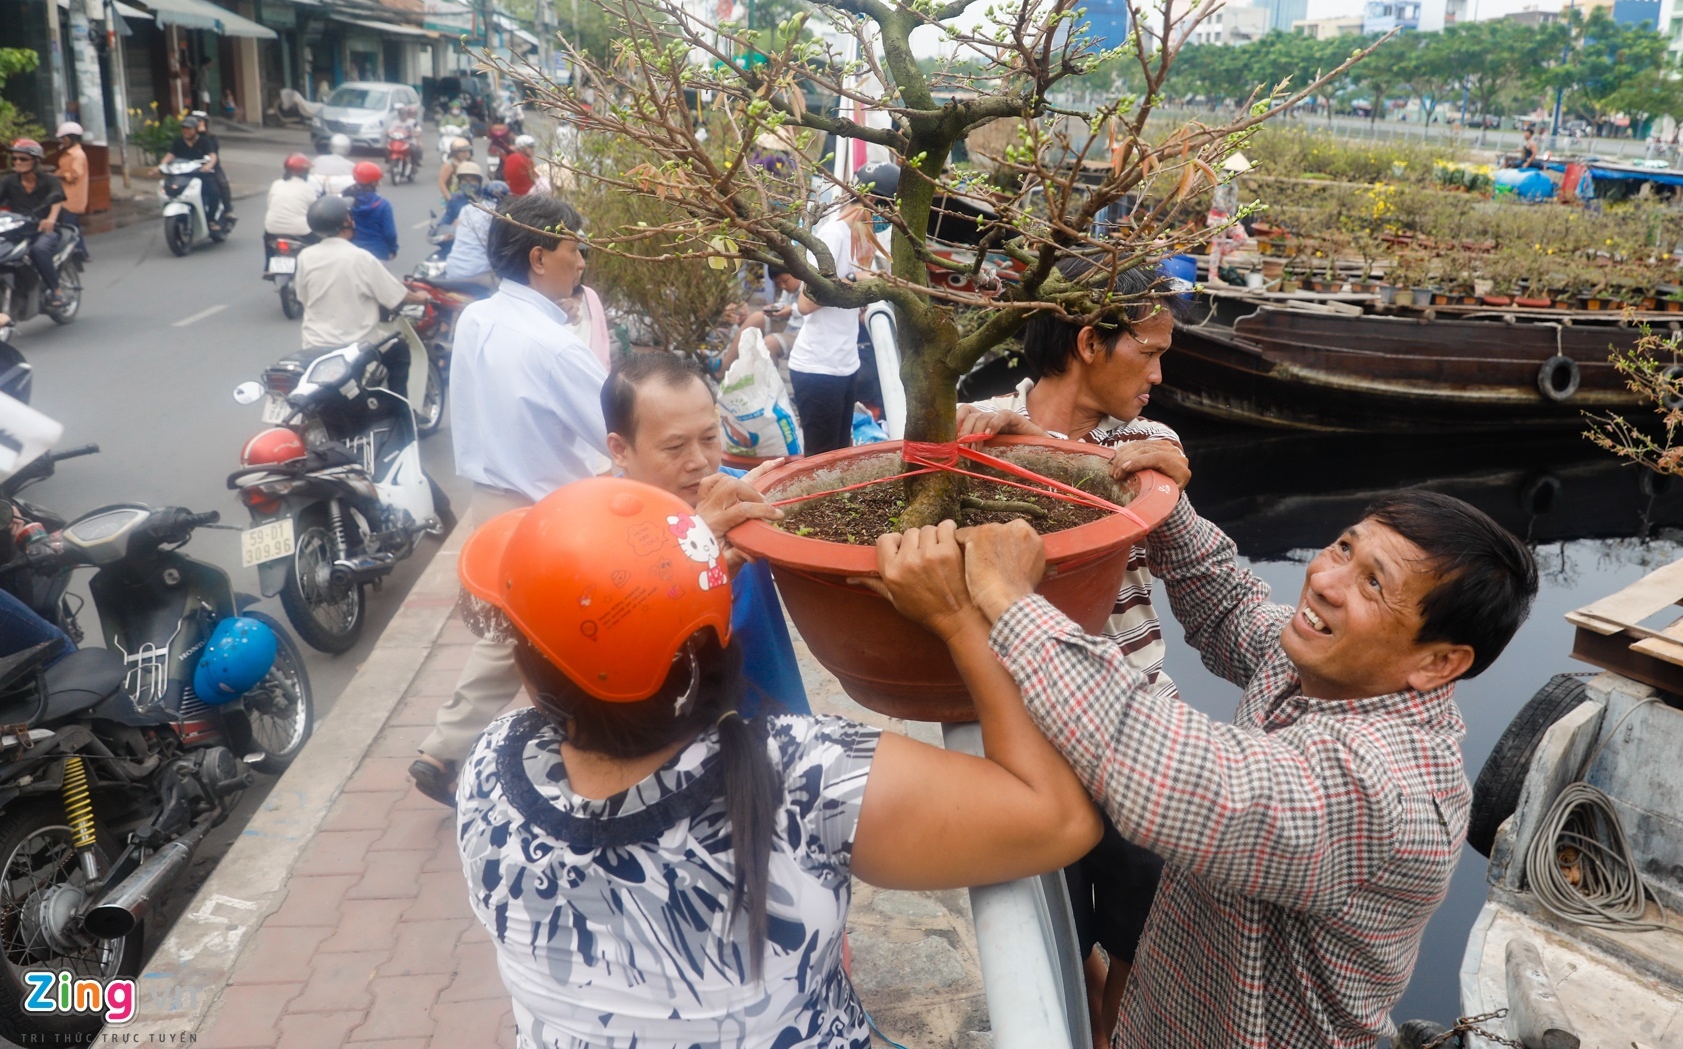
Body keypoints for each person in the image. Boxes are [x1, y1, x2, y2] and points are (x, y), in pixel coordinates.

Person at [911, 452, 1538, 1049]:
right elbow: (1232, 607)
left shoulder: (1384, 794)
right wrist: (1159, 502)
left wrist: (1010, 601)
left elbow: (1172, 773)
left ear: (1439, 662)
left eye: (1373, 584)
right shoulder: (1328, 670)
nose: (1323, 580)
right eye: (1345, 547)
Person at [454, 479, 1101, 1049]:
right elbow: (1061, 819)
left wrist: (661, 580)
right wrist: (968, 618)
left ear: (536, 675)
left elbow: (613, 674)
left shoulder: (493, 768)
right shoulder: (801, 781)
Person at [956, 259, 1183, 1037]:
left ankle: (1111, 1024)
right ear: (1090, 342)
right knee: (1049, 898)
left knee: (1140, 923)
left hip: (1134, 715)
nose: (1158, 373)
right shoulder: (980, 428)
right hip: (1033, 721)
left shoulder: (1144, 444)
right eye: (1148, 352)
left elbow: (1173, 542)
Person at [410, 194, 612, 806]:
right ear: (538, 257)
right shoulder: (554, 347)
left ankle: (554, 739)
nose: (582, 262)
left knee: (519, 634)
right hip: (547, 517)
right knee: (530, 636)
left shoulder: (478, 317)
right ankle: (447, 751)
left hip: (492, 503)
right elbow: (614, 430)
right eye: (574, 249)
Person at [602, 351, 808, 715]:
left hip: (777, 709)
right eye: (675, 446)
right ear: (620, 449)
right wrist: (692, 542)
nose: (699, 460)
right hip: (686, 739)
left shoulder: (740, 492)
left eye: (710, 437)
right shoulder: (601, 537)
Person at [787, 167, 886, 455]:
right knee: (822, 461)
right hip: (818, 369)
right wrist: (855, 281)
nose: (886, 221)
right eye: (887, 211)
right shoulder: (833, 235)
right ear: (869, 202)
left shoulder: (860, 238)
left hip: (845, 364)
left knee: (841, 457)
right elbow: (805, 303)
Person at [292, 195, 407, 354]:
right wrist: (422, 297)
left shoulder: (305, 256)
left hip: (314, 345)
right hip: (358, 346)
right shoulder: (361, 258)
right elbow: (395, 296)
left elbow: (302, 296)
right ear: (346, 222)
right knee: (400, 350)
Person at [3, 139, 74, 313]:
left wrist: (50, 218)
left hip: (45, 229)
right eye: (15, 159)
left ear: (35, 160)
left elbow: (57, 198)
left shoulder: (49, 180)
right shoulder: (8, 181)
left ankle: (57, 291)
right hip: (17, 229)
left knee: (39, 250)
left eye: (23, 159)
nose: (18, 163)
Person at [718, 267, 805, 373]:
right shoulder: (789, 289)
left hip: (804, 330)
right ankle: (724, 366)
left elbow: (807, 308)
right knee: (756, 318)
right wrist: (775, 309)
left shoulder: (809, 284)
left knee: (769, 343)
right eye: (778, 283)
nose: (782, 286)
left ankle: (771, 386)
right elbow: (784, 303)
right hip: (790, 324)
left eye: (785, 281)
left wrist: (792, 309)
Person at [440, 162, 507, 287]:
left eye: (473, 180)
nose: (469, 184)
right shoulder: (456, 201)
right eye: (465, 180)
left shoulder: (466, 209)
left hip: (453, 267)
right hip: (475, 270)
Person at [158, 115, 232, 225]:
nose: (186, 131)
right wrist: (161, 165)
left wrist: (208, 165)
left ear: (195, 129)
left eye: (189, 128)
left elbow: (213, 155)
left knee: (213, 192)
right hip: (184, 174)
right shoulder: (178, 141)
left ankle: (211, 219)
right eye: (183, 128)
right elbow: (170, 155)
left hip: (201, 173)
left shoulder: (205, 140)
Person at [342, 161, 397, 261]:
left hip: (352, 251)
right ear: (374, 183)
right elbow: (390, 234)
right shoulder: (384, 205)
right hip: (378, 253)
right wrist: (393, 249)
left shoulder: (346, 202)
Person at [263, 153, 322, 244]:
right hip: (301, 231)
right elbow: (313, 211)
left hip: (272, 230)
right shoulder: (308, 188)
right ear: (305, 172)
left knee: (268, 242)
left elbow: (270, 203)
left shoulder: (276, 184)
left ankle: (269, 258)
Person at [52, 122, 88, 260]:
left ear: (71, 137)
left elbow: (74, 175)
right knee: (73, 227)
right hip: (66, 195)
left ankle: (76, 254)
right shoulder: (70, 153)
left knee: (69, 227)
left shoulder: (77, 155)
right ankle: (82, 253)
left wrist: (59, 174)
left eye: (64, 138)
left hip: (71, 197)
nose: (62, 141)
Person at [500, 132, 537, 197]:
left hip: (511, 192)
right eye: (530, 147)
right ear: (522, 147)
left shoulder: (511, 157)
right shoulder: (526, 161)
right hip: (524, 194)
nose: (533, 150)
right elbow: (535, 178)